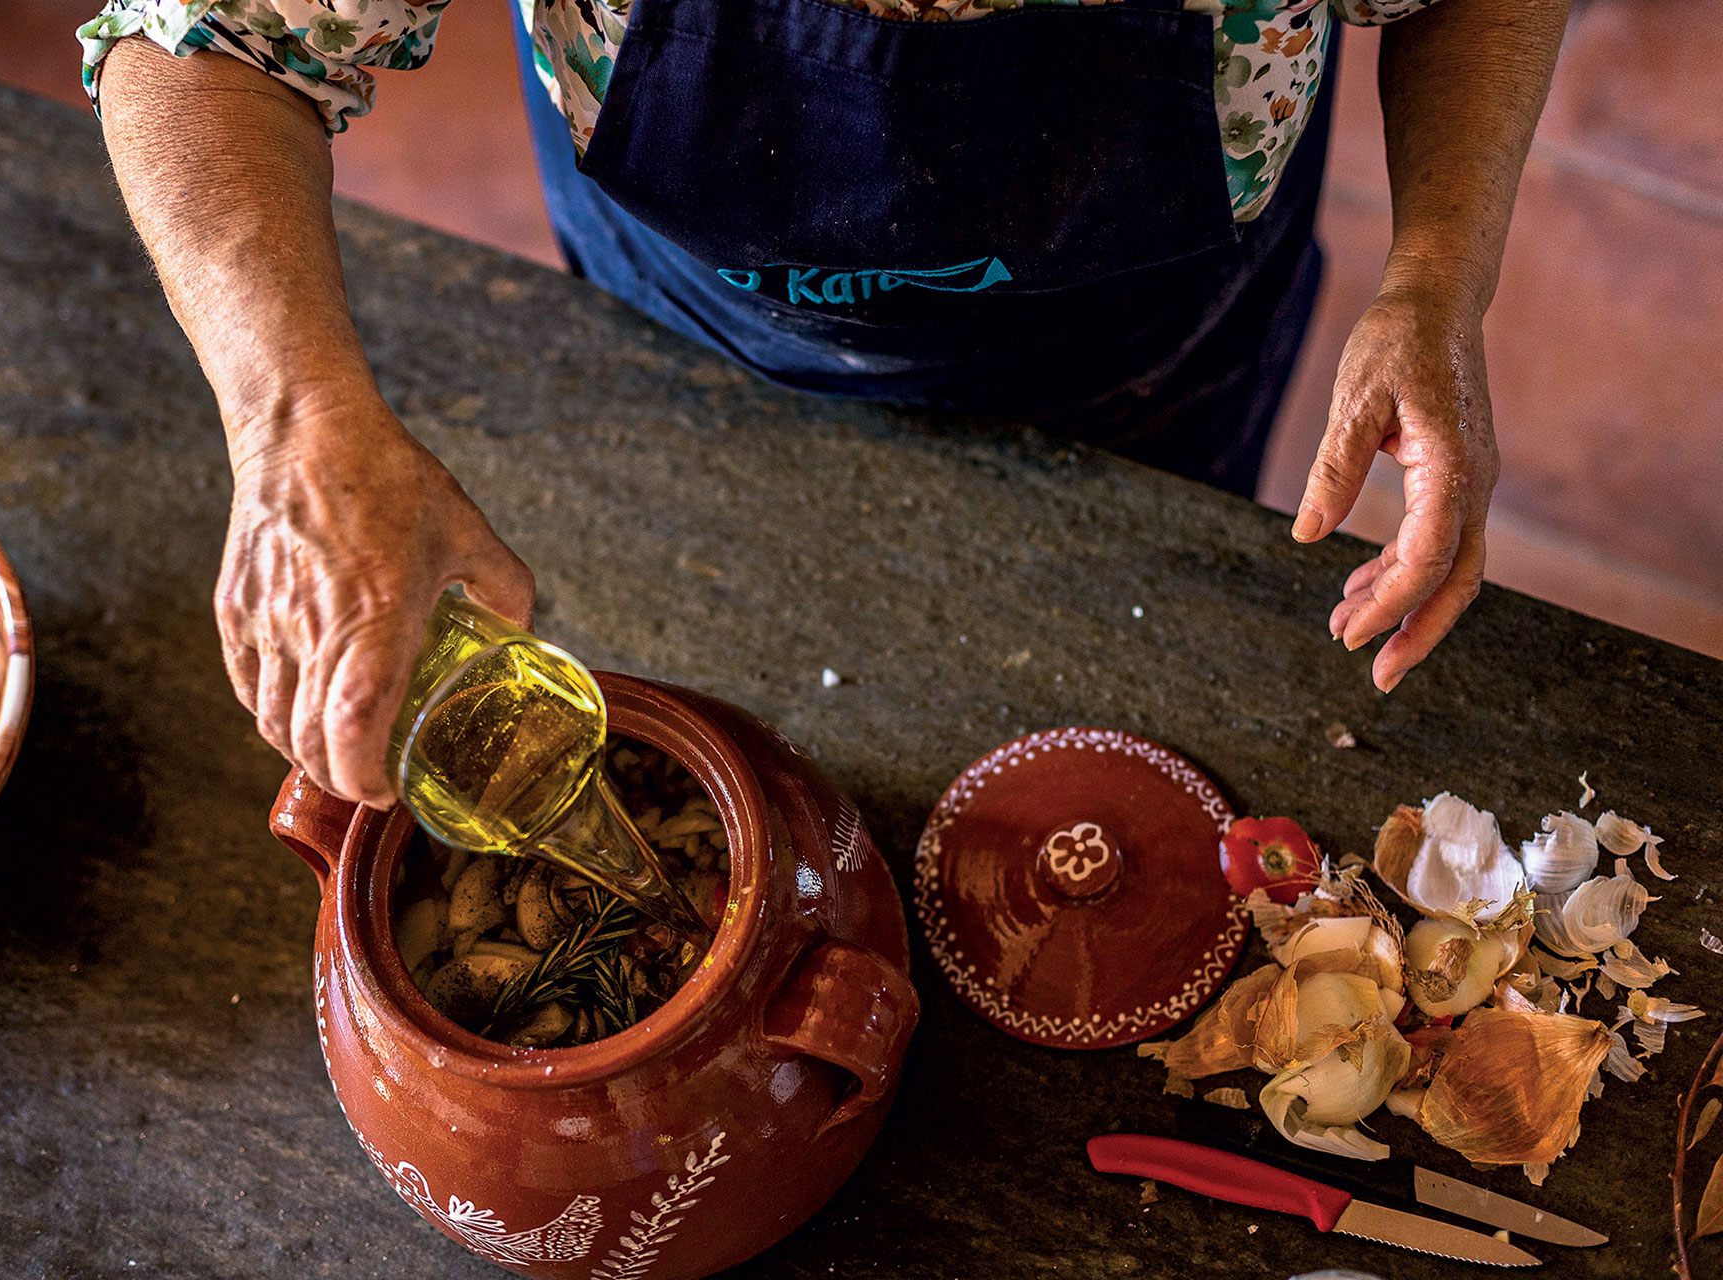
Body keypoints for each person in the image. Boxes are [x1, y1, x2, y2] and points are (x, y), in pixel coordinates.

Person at [79, 0, 1569, 809]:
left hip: (1141, 349)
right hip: (690, 314)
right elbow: (201, 42)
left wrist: (1438, 275)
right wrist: (291, 427)